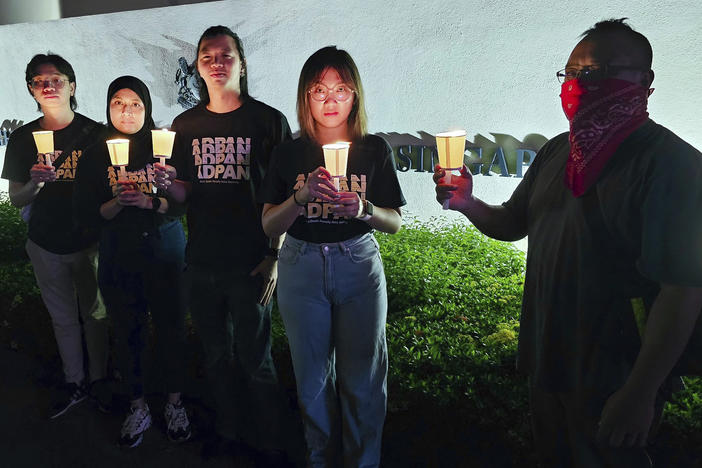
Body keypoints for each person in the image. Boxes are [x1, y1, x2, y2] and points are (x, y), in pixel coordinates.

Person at [434, 18, 702, 467]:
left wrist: (640, 391)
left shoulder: (673, 166)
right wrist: (467, 202)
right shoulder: (560, 150)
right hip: (548, 360)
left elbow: (683, 291)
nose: (578, 86)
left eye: (595, 73)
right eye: (570, 74)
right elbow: (510, 223)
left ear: (645, 82)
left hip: (614, 372)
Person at [260, 46, 406, 467]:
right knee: (312, 381)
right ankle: (320, 457)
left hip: (357, 263)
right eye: (319, 90)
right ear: (306, 97)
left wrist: (363, 209)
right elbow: (270, 225)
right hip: (301, 265)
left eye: (341, 89)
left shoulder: (373, 150)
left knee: (363, 378)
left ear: (355, 95)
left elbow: (394, 222)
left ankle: (364, 461)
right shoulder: (289, 152)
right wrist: (300, 197)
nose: (330, 100)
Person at [153, 26, 292, 462]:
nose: (216, 62)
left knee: (257, 360)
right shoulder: (185, 124)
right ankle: (228, 433)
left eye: (225, 54)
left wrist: (274, 255)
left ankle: (269, 442)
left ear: (242, 63)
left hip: (251, 262)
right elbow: (182, 195)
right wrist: (165, 185)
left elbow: (287, 193)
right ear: (197, 66)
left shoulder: (268, 121)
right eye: (207, 56)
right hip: (203, 261)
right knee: (215, 357)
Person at [73, 76, 191, 448]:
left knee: (172, 327)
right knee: (128, 331)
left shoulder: (164, 147)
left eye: (136, 103)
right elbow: (85, 214)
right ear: (108, 107)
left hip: (165, 249)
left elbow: (185, 204)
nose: (127, 110)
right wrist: (115, 205)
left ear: (147, 107)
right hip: (118, 253)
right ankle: (137, 405)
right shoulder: (94, 153)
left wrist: (154, 200)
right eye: (118, 103)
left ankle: (175, 402)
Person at [1, 53, 108, 418]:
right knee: (62, 317)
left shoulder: (96, 134)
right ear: (31, 89)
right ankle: (74, 382)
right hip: (45, 243)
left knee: (95, 314)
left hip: (89, 242)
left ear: (72, 86)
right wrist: (35, 182)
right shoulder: (21, 138)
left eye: (56, 79)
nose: (48, 86)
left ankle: (99, 381)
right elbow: (17, 198)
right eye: (39, 81)